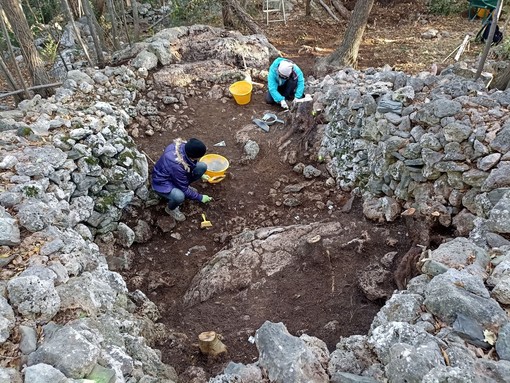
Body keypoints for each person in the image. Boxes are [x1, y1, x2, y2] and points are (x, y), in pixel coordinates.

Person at [151, 138, 212, 222]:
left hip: (174, 176)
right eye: (197, 158)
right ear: (192, 156)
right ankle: (170, 209)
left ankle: (184, 186)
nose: (197, 159)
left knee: (202, 167)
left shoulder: (183, 147)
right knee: (179, 196)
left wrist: (201, 175)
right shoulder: (176, 165)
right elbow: (182, 187)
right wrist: (200, 197)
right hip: (162, 183)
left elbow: (188, 165)